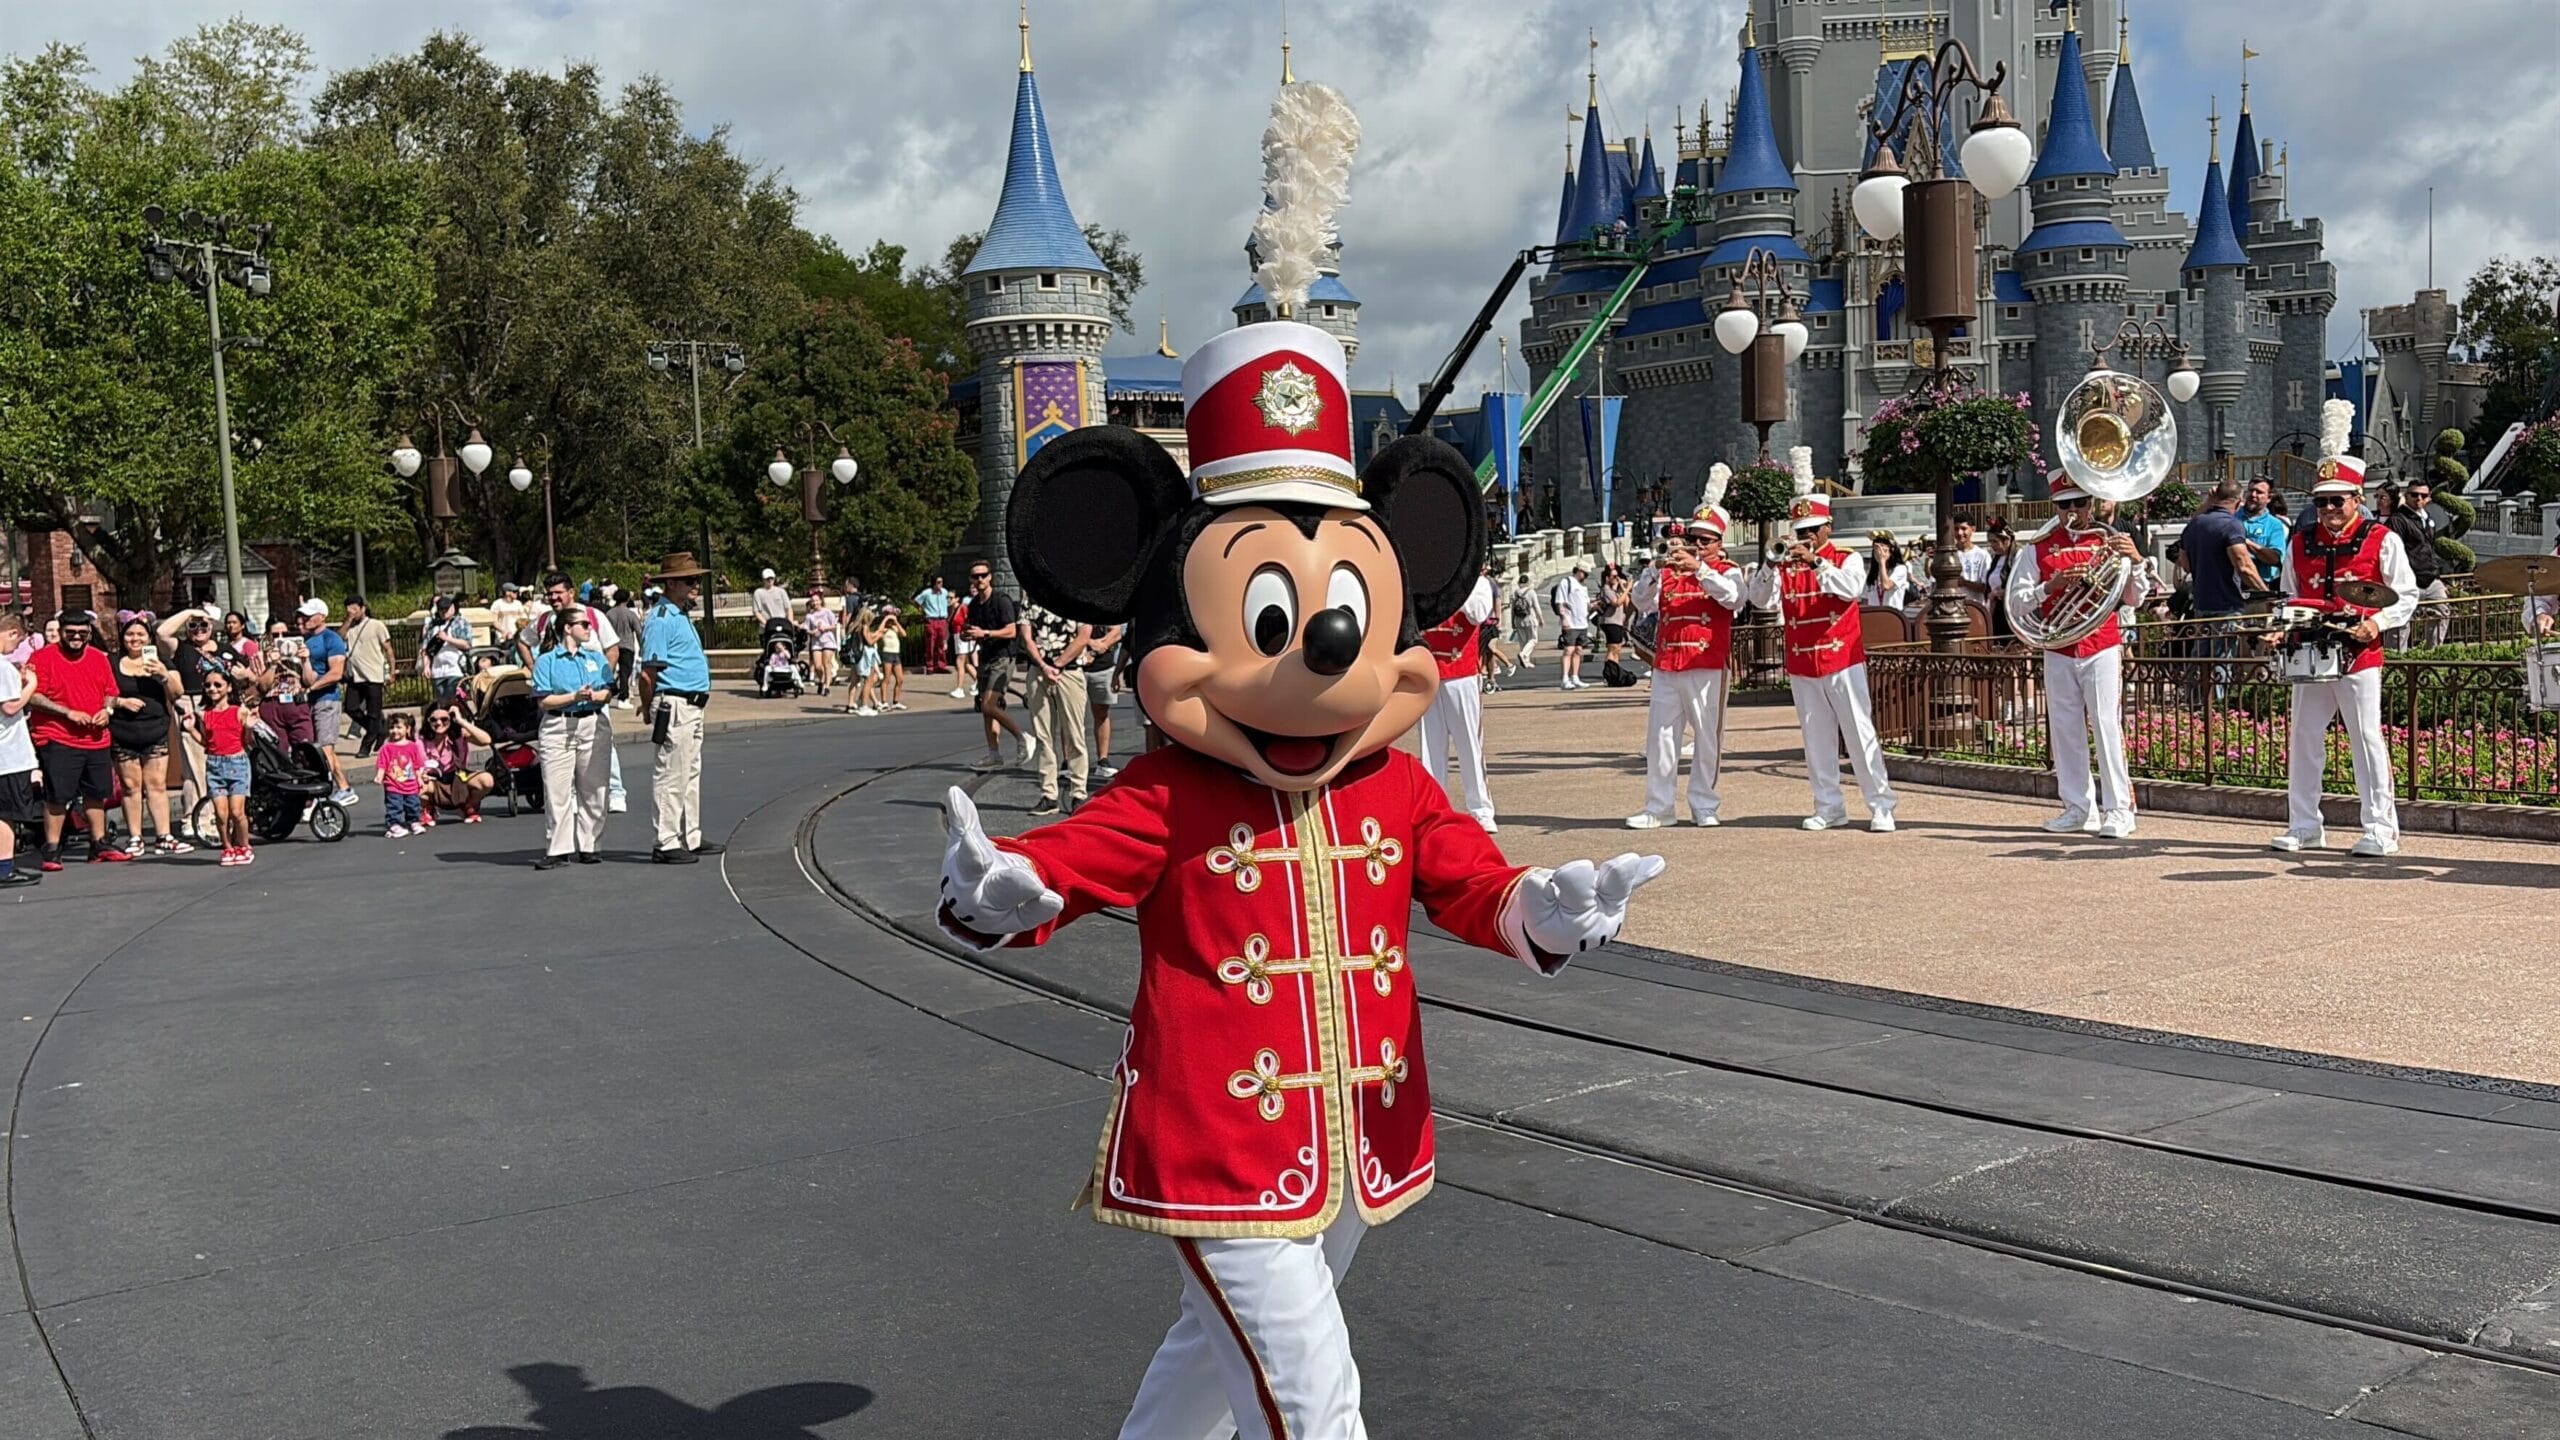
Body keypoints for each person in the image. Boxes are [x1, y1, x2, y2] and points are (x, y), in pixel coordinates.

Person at [936, 208, 1666, 1430]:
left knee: (1208, 1366)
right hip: (1219, 1142)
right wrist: (998, 888)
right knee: (1315, 1407)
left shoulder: (1393, 784)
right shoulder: (1172, 792)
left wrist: (1543, 909)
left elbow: (1467, 880)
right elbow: (1060, 861)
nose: (1325, 658)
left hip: (1355, 1133)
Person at [2273, 413, 2418, 857]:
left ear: (2357, 499)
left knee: (2366, 739)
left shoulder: (2382, 538)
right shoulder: (2300, 541)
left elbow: (2407, 594)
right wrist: (2283, 627)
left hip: (2359, 653)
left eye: (2338, 500)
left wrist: (2377, 623)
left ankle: (2381, 829)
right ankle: (2304, 826)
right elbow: (2290, 594)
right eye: (2322, 502)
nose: (2329, 509)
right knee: (2304, 739)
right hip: (2310, 651)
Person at [2009, 471, 2149, 840]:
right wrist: (2049, 587)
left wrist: (2136, 561)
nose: (2073, 511)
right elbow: (2017, 602)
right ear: (2055, 507)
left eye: (2080, 502)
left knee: (2106, 725)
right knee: (2065, 727)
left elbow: (2134, 598)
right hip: (2059, 644)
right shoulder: (2038, 547)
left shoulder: (2110, 542)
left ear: (2092, 503)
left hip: (2101, 642)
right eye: (2064, 505)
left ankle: (2120, 809)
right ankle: (2078, 808)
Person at [1743, 496, 1897, 832]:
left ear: (1828, 527)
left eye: (1813, 529)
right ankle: (1828, 807)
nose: (1807, 536)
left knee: (1858, 733)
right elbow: (1759, 600)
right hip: (1803, 662)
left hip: (1842, 659)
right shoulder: (1786, 566)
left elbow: (1850, 589)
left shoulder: (1846, 558)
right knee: (1816, 739)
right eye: (1802, 531)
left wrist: (1815, 562)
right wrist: (1769, 565)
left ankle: (1881, 805)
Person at [1627, 503, 1743, 829]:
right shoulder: (1669, 573)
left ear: (1719, 543)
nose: (1698, 545)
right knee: (1660, 738)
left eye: (1706, 541)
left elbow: (1734, 598)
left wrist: (1700, 569)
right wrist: (1653, 570)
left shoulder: (1727, 570)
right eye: (1694, 539)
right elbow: (1640, 601)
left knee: (1707, 737)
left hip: (1706, 663)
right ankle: (1659, 807)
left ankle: (1704, 804)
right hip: (1668, 663)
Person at [26, 610, 131, 869]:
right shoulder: (42, 658)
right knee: (58, 795)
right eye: (70, 633)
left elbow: (110, 692)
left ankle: (99, 843)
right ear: (61, 632)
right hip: (57, 736)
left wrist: (107, 711)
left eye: (82, 633)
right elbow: (33, 696)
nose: (76, 637)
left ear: (89, 633)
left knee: (97, 793)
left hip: (95, 737)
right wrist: (68, 713)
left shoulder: (97, 658)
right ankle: (52, 848)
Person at [636, 553, 720, 864]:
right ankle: (666, 840)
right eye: (689, 580)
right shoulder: (661, 618)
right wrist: (649, 707)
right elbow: (648, 673)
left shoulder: (679, 614)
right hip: (675, 703)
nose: (695, 584)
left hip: (691, 703)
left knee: (689, 773)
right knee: (672, 774)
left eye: (696, 579)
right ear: (671, 582)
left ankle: (690, 835)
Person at [520, 573, 626, 814]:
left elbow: (612, 649)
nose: (553, 597)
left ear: (571, 592)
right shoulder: (544, 621)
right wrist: (535, 670)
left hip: (593, 697)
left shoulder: (592, 616)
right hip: (561, 700)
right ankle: (574, 795)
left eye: (558, 592)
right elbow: (523, 642)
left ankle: (615, 791)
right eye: (549, 593)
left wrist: (604, 682)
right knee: (566, 750)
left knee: (602, 744)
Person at [529, 608, 615, 870]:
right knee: (557, 790)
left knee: (595, 788)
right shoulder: (547, 661)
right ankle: (558, 849)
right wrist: (574, 697)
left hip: (592, 722)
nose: (589, 628)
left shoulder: (596, 658)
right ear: (567, 628)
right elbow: (544, 700)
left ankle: (590, 846)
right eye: (584, 624)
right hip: (558, 725)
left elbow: (608, 691)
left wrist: (595, 696)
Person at [1417, 563, 1499, 831]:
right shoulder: (1425, 583)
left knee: (1469, 744)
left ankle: (1481, 809)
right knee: (1431, 746)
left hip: (1461, 672)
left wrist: (1456, 587)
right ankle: (1434, 808)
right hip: (1429, 671)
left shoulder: (1477, 584)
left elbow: (1478, 614)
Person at [109, 617, 188, 855]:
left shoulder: (161, 661)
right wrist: (120, 702)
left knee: (156, 785)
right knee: (130, 786)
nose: (135, 639)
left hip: (154, 728)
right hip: (123, 729)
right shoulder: (112, 662)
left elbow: (177, 692)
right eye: (130, 634)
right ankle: (135, 837)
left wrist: (163, 674)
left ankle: (164, 836)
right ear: (122, 638)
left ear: (149, 638)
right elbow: (100, 693)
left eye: (141, 634)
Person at [1019, 600, 1092, 817]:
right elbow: (1026, 637)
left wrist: (1058, 664)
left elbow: (1084, 636)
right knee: (1043, 736)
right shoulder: (1030, 598)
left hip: (1069, 671)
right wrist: (1043, 666)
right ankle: (1049, 795)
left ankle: (1078, 793)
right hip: (1039, 672)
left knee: (1075, 734)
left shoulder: (1076, 596)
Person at [961, 565, 1027, 772]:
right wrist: (968, 634)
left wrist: (986, 633)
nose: (980, 579)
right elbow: (973, 629)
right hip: (986, 657)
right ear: (971, 579)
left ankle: (1022, 737)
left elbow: (1011, 631)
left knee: (989, 705)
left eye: (983, 575)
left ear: (990, 577)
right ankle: (994, 754)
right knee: (987, 709)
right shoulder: (974, 604)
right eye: (976, 576)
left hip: (1003, 656)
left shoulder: (1001, 600)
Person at [296, 599, 360, 806]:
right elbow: (307, 675)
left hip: (328, 700)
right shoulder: (306, 640)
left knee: (325, 749)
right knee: (320, 749)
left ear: (321, 617)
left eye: (309, 615)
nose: (304, 619)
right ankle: (337, 788)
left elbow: (336, 673)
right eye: (303, 615)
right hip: (312, 701)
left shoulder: (331, 639)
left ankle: (334, 790)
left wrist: (312, 688)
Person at [193, 668, 255, 865]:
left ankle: (244, 845)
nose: (212, 689)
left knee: (237, 812)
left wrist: (249, 727)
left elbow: (247, 741)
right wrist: (190, 730)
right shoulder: (204, 715)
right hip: (215, 765)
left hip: (237, 763)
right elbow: (206, 742)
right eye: (208, 685)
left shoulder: (239, 711)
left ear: (228, 687)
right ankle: (227, 847)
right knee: (221, 814)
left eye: (218, 685)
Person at [2378, 483, 2448, 651]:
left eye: (2423, 496)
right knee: (2400, 622)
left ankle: (2433, 655)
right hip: (2408, 580)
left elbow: (2429, 549)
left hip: (2430, 578)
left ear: (2428, 498)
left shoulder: (2427, 518)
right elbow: (2394, 553)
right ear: (2406, 496)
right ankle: (2397, 659)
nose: (2419, 499)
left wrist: (2438, 577)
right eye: (2414, 495)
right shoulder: (2398, 520)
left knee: (2441, 613)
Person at [0, 612, 40, 887]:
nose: (16, 648)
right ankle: (5, 868)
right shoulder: (2, 667)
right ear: (12, 633)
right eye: (17, 642)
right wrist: (31, 686)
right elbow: (11, 706)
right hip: (8, 754)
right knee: (6, 814)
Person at [418, 703, 495, 825]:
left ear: (451, 719)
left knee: (486, 780)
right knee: (414, 784)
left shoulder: (459, 734)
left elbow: (486, 740)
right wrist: (420, 776)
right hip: (433, 780)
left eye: (444, 719)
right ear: (428, 720)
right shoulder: (420, 740)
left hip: (458, 778)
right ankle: (428, 808)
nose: (438, 723)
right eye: (434, 720)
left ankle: (469, 806)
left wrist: (461, 721)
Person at [341, 596, 395, 756]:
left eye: (354, 609)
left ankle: (366, 746)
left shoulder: (376, 625)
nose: (352, 612)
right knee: (351, 708)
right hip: (355, 676)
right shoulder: (350, 628)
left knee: (373, 713)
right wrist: (348, 620)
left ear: (362, 608)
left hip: (373, 676)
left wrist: (392, 671)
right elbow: (339, 637)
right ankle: (378, 730)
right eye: (349, 609)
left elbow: (388, 649)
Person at [374, 713, 429, 838]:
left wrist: (419, 779)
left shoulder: (412, 746)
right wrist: (379, 775)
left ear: (407, 729)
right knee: (394, 806)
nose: (395, 731)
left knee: (413, 805)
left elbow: (417, 765)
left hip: (411, 784)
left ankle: (414, 822)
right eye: (391, 728)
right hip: (393, 784)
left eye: (399, 727)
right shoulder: (387, 748)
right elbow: (382, 764)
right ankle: (394, 824)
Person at [1081, 618, 1122, 782]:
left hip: (1103, 666)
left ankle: (1103, 760)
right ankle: (1069, 761)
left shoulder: (1104, 605)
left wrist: (1098, 649)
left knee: (1102, 713)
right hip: (1075, 667)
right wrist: (1090, 642)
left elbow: (1117, 632)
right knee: (1071, 715)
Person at [2241, 478, 2290, 594]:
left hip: (2260, 587)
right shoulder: (2232, 518)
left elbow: (2275, 559)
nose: (2253, 495)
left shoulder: (2274, 524)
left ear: (2269, 498)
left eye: (2259, 492)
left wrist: (2244, 542)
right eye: (2250, 490)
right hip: (2231, 585)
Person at [1551, 564, 1592, 689]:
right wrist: (1564, 618)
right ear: (1579, 571)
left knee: (1578, 650)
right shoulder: (1567, 582)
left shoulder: (1583, 587)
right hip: (1571, 622)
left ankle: (1575, 676)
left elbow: (1587, 604)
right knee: (1569, 650)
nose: (1586, 576)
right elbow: (1560, 601)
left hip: (1582, 622)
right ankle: (1565, 678)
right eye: (1585, 573)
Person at [604, 585, 644, 709]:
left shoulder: (609, 613)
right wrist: (642, 647)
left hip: (612, 646)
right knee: (625, 672)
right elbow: (639, 631)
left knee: (610, 671)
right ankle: (623, 697)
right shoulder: (630, 614)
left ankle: (610, 691)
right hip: (627, 646)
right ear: (627, 599)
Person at [803, 584, 841, 695]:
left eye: (817, 600)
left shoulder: (827, 612)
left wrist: (826, 628)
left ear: (821, 600)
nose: (815, 603)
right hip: (816, 642)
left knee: (826, 663)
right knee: (818, 666)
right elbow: (806, 629)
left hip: (827, 641)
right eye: (813, 601)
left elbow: (834, 625)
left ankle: (827, 687)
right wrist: (812, 632)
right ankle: (822, 679)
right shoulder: (810, 616)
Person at [1861, 531, 1912, 611]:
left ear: (1891, 550)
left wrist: (1882, 561)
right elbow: (1865, 599)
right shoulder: (1872, 574)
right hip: (1875, 614)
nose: (1879, 553)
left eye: (1883, 550)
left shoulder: (1900, 569)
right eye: (1876, 550)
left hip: (1891, 615)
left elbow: (1886, 586)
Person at [913, 575, 953, 674]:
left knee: (942, 643)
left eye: (942, 582)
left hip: (942, 620)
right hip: (931, 619)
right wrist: (923, 611)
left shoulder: (944, 592)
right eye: (938, 582)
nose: (941, 584)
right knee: (930, 643)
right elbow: (916, 601)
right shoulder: (926, 593)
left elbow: (949, 604)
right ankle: (930, 666)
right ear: (934, 583)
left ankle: (941, 665)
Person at [876, 608, 908, 711]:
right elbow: (879, 630)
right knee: (887, 678)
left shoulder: (895, 628)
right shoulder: (884, 628)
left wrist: (896, 622)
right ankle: (884, 701)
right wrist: (886, 619)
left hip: (896, 654)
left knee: (900, 679)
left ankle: (896, 701)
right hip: (887, 653)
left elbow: (904, 634)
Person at [1507, 579, 1539, 667]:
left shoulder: (1516, 593)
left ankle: (1526, 661)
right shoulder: (1531, 592)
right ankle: (1523, 654)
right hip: (1530, 618)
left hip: (1518, 620)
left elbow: (1513, 609)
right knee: (1533, 639)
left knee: (1523, 641)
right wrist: (1540, 618)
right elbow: (1536, 606)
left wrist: (1512, 621)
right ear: (1528, 582)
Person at [488, 583, 529, 649]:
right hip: (502, 638)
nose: (516, 593)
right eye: (514, 591)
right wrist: (503, 631)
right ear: (507, 593)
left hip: (516, 638)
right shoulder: (497, 604)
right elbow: (494, 621)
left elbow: (524, 619)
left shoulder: (518, 604)